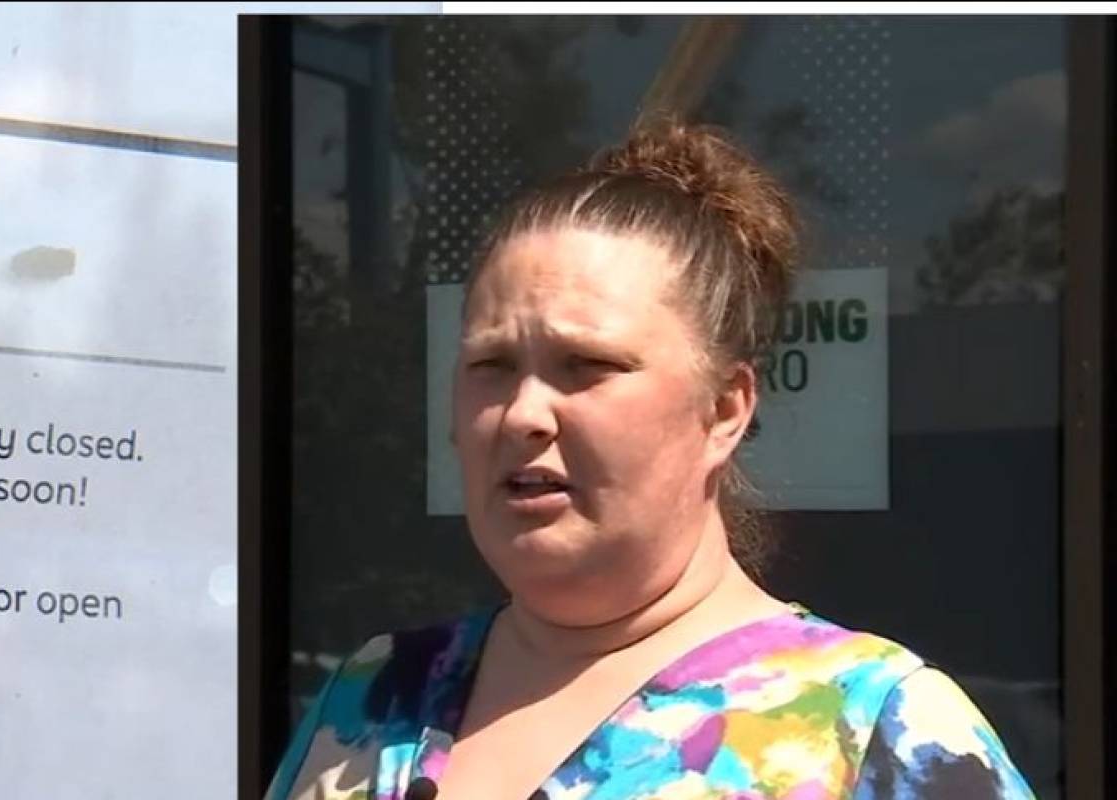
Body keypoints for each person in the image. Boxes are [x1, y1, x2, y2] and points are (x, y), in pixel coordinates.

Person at [267, 117, 1035, 800]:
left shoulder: (873, 730)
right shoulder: (376, 695)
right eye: (491, 365)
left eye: (586, 365)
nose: (524, 413)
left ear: (725, 408)